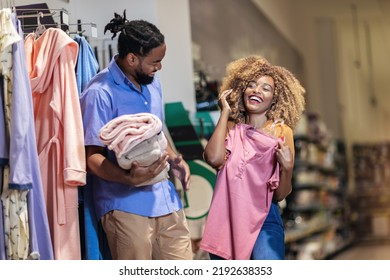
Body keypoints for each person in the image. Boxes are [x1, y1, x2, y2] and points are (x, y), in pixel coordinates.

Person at [79, 11, 193, 260]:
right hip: (125, 206)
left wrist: (175, 160)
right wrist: (128, 178)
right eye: (154, 62)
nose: (159, 67)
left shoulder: (153, 84)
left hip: (166, 199)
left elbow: (156, 133)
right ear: (131, 59)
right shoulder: (99, 92)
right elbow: (91, 158)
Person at [199, 55, 305, 260]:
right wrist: (224, 113)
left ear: (274, 98)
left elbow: (280, 195)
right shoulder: (230, 128)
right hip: (227, 219)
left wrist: (288, 167)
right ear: (242, 90)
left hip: (265, 220)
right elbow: (213, 158)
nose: (257, 90)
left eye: (266, 88)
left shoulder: (282, 132)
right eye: (252, 85)